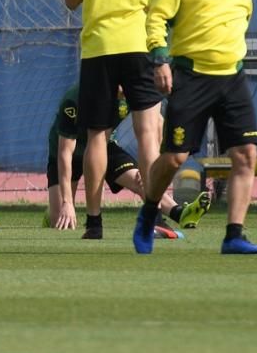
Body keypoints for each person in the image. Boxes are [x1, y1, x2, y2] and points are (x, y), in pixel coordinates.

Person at [133, 0, 257, 255]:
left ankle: (234, 235)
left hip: (232, 76)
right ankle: (149, 212)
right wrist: (160, 59)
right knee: (175, 158)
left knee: (246, 154)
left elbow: (242, 18)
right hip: (191, 76)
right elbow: (157, 17)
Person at [63, 0, 178, 238]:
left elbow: (70, 0)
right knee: (148, 132)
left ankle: (95, 222)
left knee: (96, 134)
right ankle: (152, 212)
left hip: (98, 47)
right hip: (140, 44)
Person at [45, 83, 209, 238]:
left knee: (140, 180)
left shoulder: (133, 95)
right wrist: (67, 202)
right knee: (59, 219)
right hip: (68, 154)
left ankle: (180, 213)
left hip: (104, 148)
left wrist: (149, 169)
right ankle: (51, 210)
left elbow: (156, 126)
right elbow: (64, 153)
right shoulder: (75, 99)